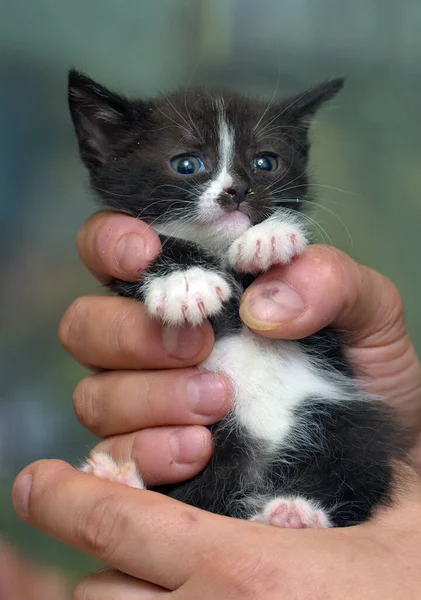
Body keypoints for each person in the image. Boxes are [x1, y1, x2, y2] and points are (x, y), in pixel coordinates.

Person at [13, 211, 421, 598]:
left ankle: (155, 508)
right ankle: (147, 505)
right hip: (233, 463)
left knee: (350, 450)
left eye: (264, 164)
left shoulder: (266, 249)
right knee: (198, 459)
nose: (234, 189)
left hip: (326, 470)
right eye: (187, 166)